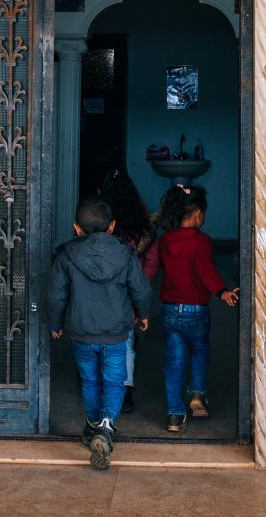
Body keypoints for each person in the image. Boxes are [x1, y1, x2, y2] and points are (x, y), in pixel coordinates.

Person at [47, 196, 152, 470]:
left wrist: (55, 323)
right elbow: (140, 288)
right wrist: (143, 315)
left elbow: (56, 294)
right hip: (116, 333)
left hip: (82, 332)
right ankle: (106, 428)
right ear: (112, 226)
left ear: (76, 228)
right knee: (115, 382)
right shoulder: (125, 253)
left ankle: (93, 428)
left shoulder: (67, 254)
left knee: (90, 381)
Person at [153, 184, 239, 433]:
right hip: (196, 311)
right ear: (198, 213)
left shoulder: (164, 241)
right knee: (200, 350)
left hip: (169, 311)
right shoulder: (201, 241)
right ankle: (198, 392)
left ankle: (174, 415)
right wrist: (221, 291)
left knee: (174, 361)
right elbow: (205, 270)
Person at [99, 167, 156, 413]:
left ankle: (105, 386)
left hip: (104, 290)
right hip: (131, 289)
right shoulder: (141, 217)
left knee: (101, 339)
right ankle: (126, 390)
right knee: (127, 343)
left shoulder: (102, 218)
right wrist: (141, 282)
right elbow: (152, 257)